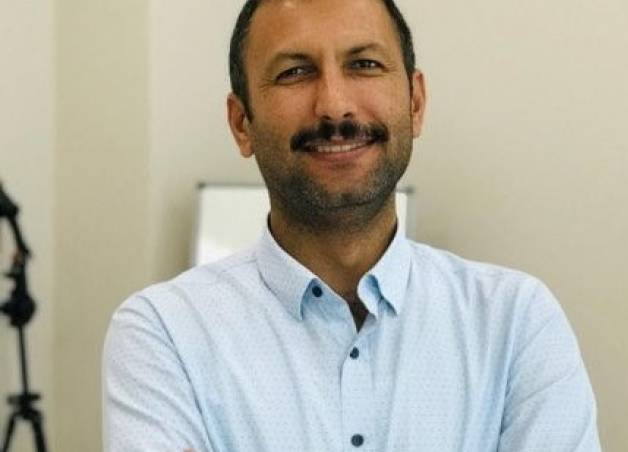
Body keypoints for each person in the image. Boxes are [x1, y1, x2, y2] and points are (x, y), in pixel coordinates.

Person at [102, 0, 602, 450]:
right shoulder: (165, 333)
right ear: (241, 124)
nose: (334, 105)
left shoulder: (515, 322)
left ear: (415, 103)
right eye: (295, 72)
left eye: (364, 65)